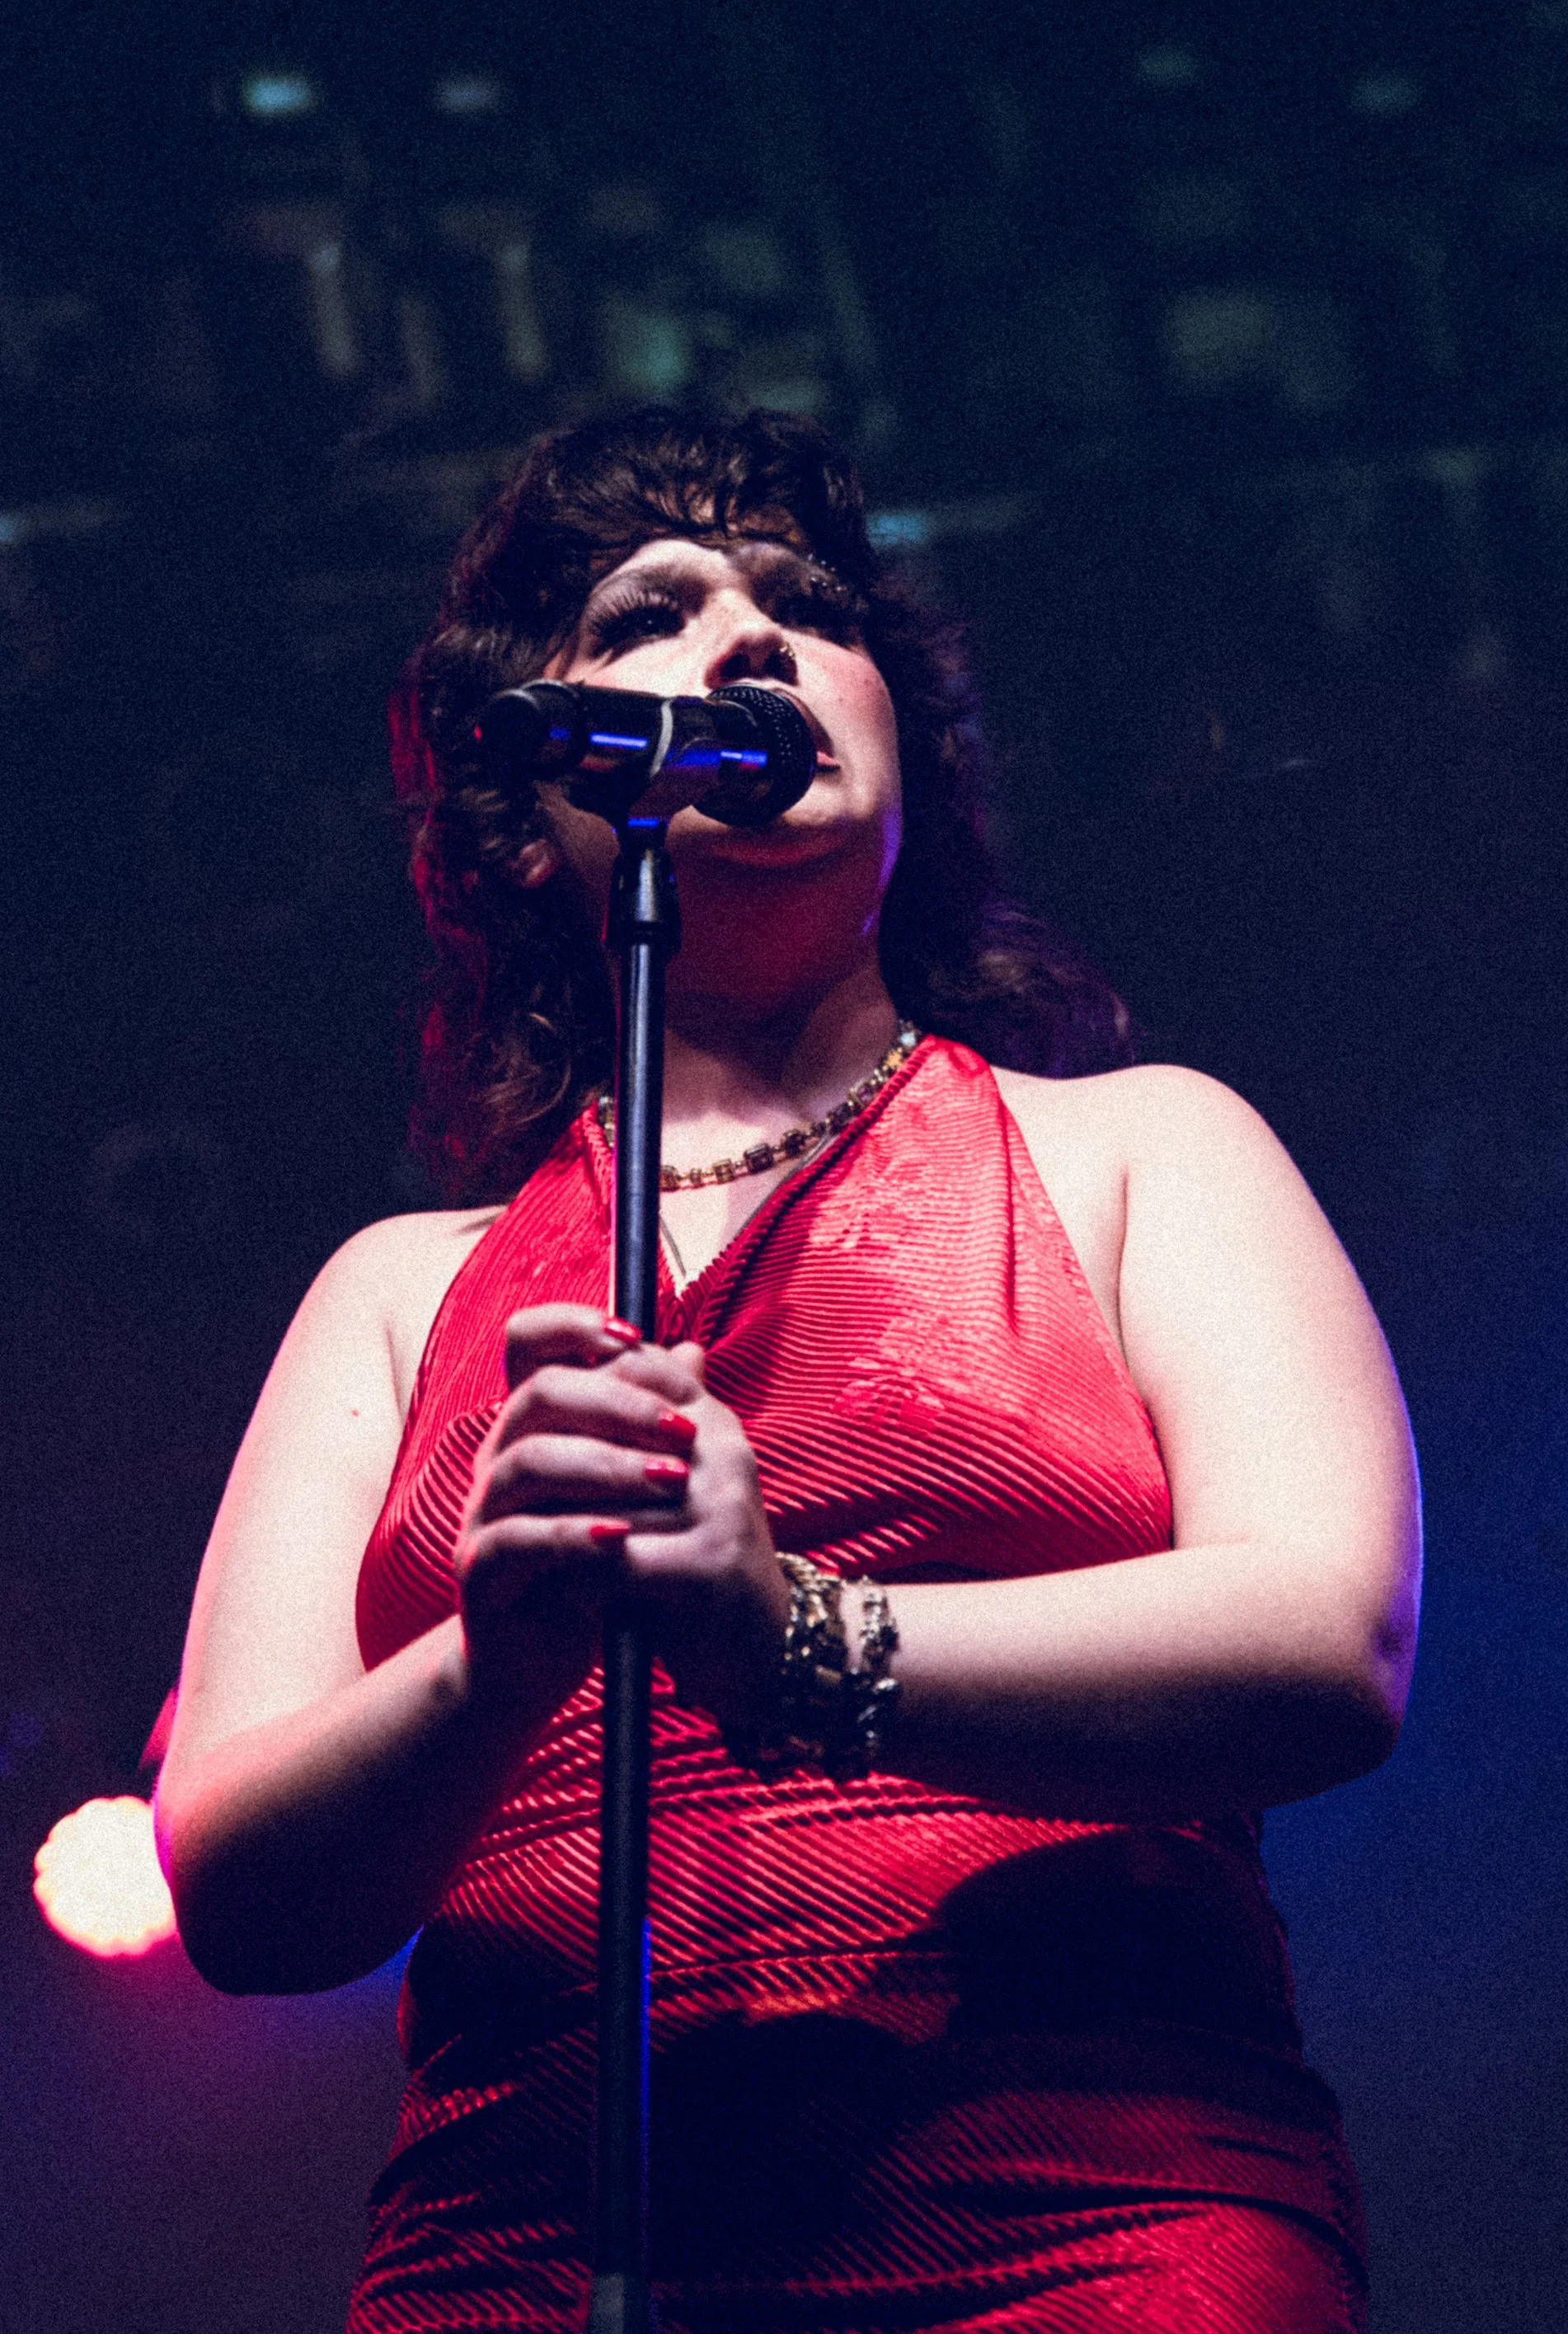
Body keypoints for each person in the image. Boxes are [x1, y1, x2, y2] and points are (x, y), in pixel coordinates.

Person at [156, 405, 1422, 2332]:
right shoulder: (400, 1293)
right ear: (524, 797)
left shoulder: (1140, 1147)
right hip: (531, 2230)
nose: (750, 639)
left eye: (809, 607)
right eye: (654, 608)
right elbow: (238, 1893)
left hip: (1087, 2211)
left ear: (907, 751)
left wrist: (794, 1637)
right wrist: (494, 1664)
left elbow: (1330, 1643)